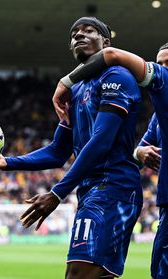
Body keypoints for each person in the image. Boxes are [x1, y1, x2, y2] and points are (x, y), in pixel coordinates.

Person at [0, 17, 143, 279]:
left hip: (113, 188)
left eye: (89, 31)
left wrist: (57, 193)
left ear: (106, 42)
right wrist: (7, 162)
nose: (79, 36)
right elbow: (57, 151)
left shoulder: (116, 76)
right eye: (74, 34)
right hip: (92, 192)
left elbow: (101, 142)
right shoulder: (75, 93)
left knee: (76, 274)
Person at [53, 43, 168, 279]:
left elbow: (111, 55)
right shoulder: (158, 118)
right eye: (160, 62)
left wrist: (65, 82)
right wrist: (139, 154)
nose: (162, 68)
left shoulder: (164, 81)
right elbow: (136, 153)